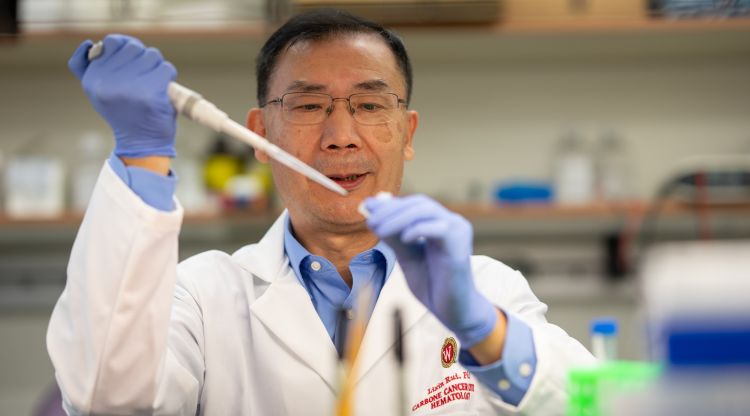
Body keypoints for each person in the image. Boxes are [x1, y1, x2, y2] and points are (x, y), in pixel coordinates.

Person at [47, 9, 595, 415]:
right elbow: (105, 401)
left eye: (371, 105)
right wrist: (141, 154)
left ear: (407, 133)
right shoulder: (202, 295)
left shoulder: (487, 291)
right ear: (260, 136)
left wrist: (483, 330)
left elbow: (598, 406)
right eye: (309, 106)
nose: (340, 137)